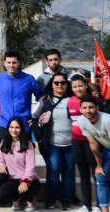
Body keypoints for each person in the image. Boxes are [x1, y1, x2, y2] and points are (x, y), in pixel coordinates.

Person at [0, 51, 43, 139]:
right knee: (3, 152)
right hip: (4, 124)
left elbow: (41, 98)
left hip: (23, 124)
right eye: (9, 62)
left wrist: (36, 117)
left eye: (14, 62)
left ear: (19, 63)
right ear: (4, 63)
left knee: (24, 152)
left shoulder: (28, 79)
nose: (11, 65)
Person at [32, 72, 73, 210]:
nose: (60, 85)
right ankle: (52, 199)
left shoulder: (74, 100)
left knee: (69, 172)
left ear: (67, 84)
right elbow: (34, 117)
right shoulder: (45, 99)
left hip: (72, 144)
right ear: (52, 84)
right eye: (57, 82)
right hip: (52, 143)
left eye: (63, 82)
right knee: (54, 171)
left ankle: (66, 199)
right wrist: (39, 136)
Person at [67, 73, 101, 212]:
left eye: (80, 85)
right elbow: (70, 120)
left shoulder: (95, 101)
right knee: (83, 174)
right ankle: (86, 205)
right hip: (76, 142)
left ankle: (99, 205)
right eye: (75, 87)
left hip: (92, 142)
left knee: (96, 174)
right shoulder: (69, 101)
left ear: (86, 85)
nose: (78, 89)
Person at [0, 117, 40, 211]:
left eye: (17, 127)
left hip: (29, 179)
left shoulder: (28, 144)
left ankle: (30, 200)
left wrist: (25, 182)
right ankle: (17, 199)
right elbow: (0, 160)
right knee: (2, 193)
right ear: (8, 128)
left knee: (26, 189)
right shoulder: (4, 143)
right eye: (11, 127)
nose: (14, 130)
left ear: (21, 129)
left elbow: (31, 166)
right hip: (13, 179)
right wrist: (0, 166)